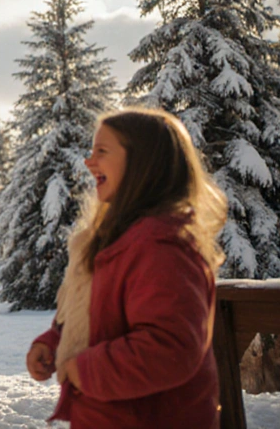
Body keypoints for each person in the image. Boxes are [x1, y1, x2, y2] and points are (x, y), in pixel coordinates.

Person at [26, 108, 226, 429]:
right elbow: (95, 316)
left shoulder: (161, 243)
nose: (89, 162)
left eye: (102, 151)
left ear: (142, 164)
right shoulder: (115, 239)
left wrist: (84, 368)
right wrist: (53, 342)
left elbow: (170, 347)